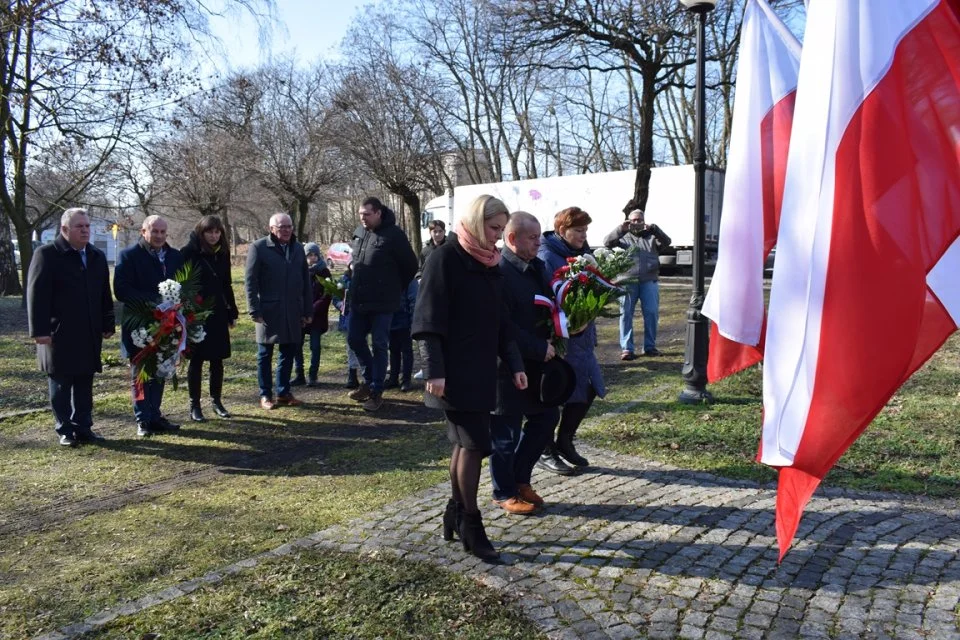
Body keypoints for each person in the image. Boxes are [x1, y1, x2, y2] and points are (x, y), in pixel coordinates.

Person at [412, 195, 526, 562]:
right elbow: (427, 317)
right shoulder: (444, 257)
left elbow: (501, 320)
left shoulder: (490, 262)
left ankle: (454, 511)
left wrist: (516, 363)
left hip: (482, 370)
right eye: (494, 229)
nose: (497, 237)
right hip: (451, 371)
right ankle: (471, 523)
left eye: (501, 230)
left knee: (464, 444)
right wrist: (434, 370)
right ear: (478, 222)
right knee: (474, 443)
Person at [489, 212, 561, 514]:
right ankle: (503, 491)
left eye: (540, 236)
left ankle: (521, 479)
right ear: (512, 239)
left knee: (546, 419)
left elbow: (550, 306)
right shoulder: (500, 271)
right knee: (505, 433)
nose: (539, 242)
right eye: (532, 237)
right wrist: (535, 346)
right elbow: (501, 324)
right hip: (506, 365)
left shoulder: (537, 266)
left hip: (537, 363)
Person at [27, 208, 115, 446]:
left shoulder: (96, 256)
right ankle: (65, 430)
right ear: (65, 229)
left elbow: (105, 294)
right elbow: (36, 295)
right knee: (61, 384)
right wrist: (40, 331)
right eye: (80, 226)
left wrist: (108, 322)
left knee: (85, 383)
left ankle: (83, 427)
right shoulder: (47, 255)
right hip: (58, 333)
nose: (85, 230)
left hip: (88, 331)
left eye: (87, 226)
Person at [538, 206, 606, 473]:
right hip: (561, 337)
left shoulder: (582, 253)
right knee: (555, 393)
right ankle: (545, 449)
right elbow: (548, 294)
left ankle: (565, 440)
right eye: (578, 230)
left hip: (582, 335)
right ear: (561, 230)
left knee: (588, 386)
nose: (583, 235)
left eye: (585, 230)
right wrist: (569, 320)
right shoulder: (548, 256)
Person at [114, 214, 185, 436]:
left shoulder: (175, 256)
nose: (159, 236)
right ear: (143, 232)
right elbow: (122, 290)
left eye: (163, 232)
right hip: (140, 325)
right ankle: (142, 419)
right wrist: (155, 301)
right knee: (141, 373)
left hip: (168, 325)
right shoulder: (129, 256)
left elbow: (183, 285)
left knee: (161, 369)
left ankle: (155, 415)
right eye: (154, 231)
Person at [348, 197, 418, 412]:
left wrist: (393, 288)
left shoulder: (394, 235)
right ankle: (369, 381)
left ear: (378, 213)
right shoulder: (360, 233)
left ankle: (377, 391)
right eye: (360, 215)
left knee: (380, 344)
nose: (363, 219)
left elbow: (410, 266)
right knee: (354, 339)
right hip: (359, 299)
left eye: (367, 215)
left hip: (384, 302)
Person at [244, 213, 312, 410]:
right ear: (271, 228)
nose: (286, 230)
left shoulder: (298, 248)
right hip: (268, 310)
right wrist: (253, 309)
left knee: (288, 352)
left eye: (289, 226)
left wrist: (307, 310)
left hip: (293, 309)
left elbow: (305, 282)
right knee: (265, 354)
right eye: (282, 227)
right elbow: (250, 281)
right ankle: (265, 395)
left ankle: (283, 392)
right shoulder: (259, 248)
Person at [180, 215, 239, 422]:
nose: (214, 236)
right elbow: (183, 285)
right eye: (209, 232)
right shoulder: (188, 253)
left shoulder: (222, 253)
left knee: (217, 359)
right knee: (196, 360)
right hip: (196, 314)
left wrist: (232, 311)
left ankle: (217, 401)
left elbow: (227, 284)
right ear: (201, 232)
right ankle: (194, 405)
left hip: (218, 313)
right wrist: (188, 313)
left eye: (217, 232)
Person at [605, 207, 672, 359]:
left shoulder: (652, 237)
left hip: (649, 281)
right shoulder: (623, 237)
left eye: (639, 220)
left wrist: (655, 229)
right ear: (629, 221)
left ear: (644, 221)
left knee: (651, 313)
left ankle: (650, 347)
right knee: (626, 314)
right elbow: (607, 242)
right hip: (627, 281)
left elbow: (667, 242)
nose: (636, 223)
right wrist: (620, 229)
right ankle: (627, 348)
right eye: (633, 220)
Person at [292, 242, 333, 387]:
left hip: (317, 316)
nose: (312, 258)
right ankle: (299, 374)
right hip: (301, 315)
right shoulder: (299, 271)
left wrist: (312, 310)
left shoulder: (324, 272)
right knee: (297, 345)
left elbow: (327, 295)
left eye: (315, 255)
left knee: (315, 346)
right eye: (309, 255)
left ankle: (313, 375)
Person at [385, 276, 418, 392]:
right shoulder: (389, 276)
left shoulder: (409, 279)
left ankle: (406, 380)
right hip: (391, 319)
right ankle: (393, 378)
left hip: (405, 320)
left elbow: (413, 299)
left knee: (406, 351)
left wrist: (413, 321)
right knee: (393, 350)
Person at [333, 263, 362, 389]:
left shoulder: (364, 277)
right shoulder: (344, 279)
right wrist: (341, 305)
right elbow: (336, 297)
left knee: (362, 346)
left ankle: (366, 376)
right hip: (348, 318)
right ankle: (352, 375)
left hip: (362, 318)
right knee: (350, 347)